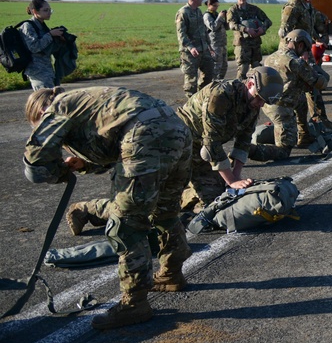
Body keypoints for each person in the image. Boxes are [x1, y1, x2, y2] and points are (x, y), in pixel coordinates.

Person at [23, 86, 194, 329]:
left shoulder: (57, 108)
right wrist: (82, 164)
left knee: (126, 225)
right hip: (176, 129)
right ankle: (171, 273)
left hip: (144, 135)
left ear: (41, 112)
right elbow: (112, 149)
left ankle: (135, 304)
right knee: (165, 212)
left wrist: (58, 170)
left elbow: (36, 165)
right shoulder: (86, 101)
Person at [66, 66, 285, 233]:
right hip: (173, 146)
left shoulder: (251, 105)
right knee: (145, 205)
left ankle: (183, 192)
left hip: (197, 153)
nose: (261, 105)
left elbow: (243, 143)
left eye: (264, 102)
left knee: (217, 203)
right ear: (249, 85)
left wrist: (236, 179)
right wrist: (231, 182)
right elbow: (212, 146)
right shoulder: (221, 96)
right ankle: (86, 210)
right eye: (259, 99)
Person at [258, 29, 330, 160]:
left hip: (268, 103)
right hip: (282, 109)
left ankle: (304, 135)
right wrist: (312, 66)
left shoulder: (271, 57)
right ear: (301, 45)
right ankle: (250, 150)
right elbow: (321, 83)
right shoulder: (296, 62)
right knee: (283, 152)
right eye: (306, 49)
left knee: (302, 100)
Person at [19, 0, 68, 90]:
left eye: (50, 10)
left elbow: (47, 48)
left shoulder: (42, 26)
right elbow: (34, 47)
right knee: (45, 101)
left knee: (51, 100)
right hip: (36, 71)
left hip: (46, 69)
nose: (49, 13)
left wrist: (60, 40)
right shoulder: (28, 26)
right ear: (34, 11)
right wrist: (50, 35)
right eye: (45, 10)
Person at [226, 0, 273, 80]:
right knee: (243, 69)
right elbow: (231, 24)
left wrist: (262, 29)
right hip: (242, 44)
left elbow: (268, 21)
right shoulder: (233, 10)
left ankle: (256, 91)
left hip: (255, 43)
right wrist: (246, 29)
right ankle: (238, 91)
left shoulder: (254, 9)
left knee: (257, 69)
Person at [176, 0, 215, 97]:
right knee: (191, 81)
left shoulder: (198, 11)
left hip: (203, 50)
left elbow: (203, 30)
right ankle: (190, 106)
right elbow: (181, 34)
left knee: (209, 74)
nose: (203, 0)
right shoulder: (183, 13)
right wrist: (190, 47)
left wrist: (209, 46)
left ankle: (201, 97)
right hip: (190, 53)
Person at [204, 0, 228, 79]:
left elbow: (227, 27)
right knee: (216, 67)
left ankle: (220, 82)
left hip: (222, 44)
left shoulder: (217, 14)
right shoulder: (207, 16)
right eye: (214, 5)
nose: (216, 7)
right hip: (214, 44)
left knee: (224, 66)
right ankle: (214, 84)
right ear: (209, 5)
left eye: (217, 5)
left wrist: (226, 18)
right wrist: (220, 17)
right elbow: (213, 27)